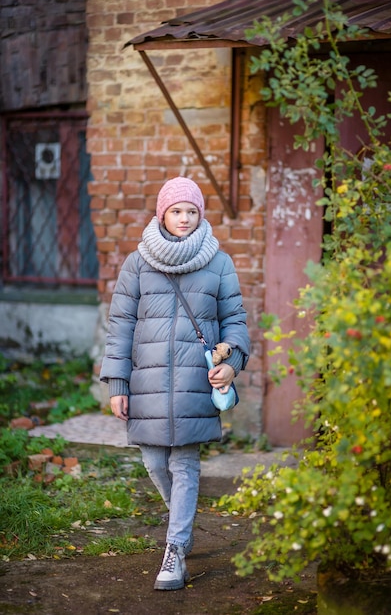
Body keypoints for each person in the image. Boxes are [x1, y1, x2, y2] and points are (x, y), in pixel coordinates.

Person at [100, 176, 250, 591]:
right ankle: (179, 523)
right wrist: (117, 382)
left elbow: (235, 322)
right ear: (161, 213)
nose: (184, 218)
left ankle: (176, 549)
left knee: (183, 462)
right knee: (153, 462)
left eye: (191, 211)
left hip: (194, 382)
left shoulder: (219, 262)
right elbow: (120, 326)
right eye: (176, 210)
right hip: (145, 383)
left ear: (201, 214)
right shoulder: (138, 262)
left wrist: (232, 362)